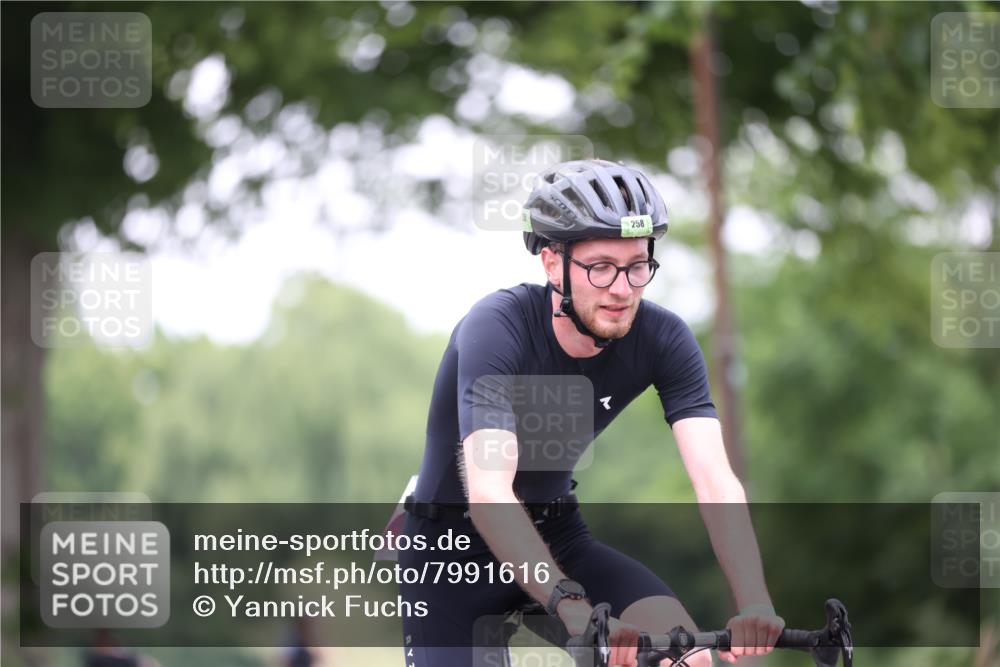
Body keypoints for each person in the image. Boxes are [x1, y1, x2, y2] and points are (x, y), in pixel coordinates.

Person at [400, 159, 783, 667]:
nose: (623, 288)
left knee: (684, 659)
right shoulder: (496, 328)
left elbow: (715, 479)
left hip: (558, 534)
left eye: (638, 265)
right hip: (450, 549)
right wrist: (569, 605)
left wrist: (754, 599)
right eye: (601, 266)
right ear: (552, 263)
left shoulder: (664, 338)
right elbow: (490, 491)